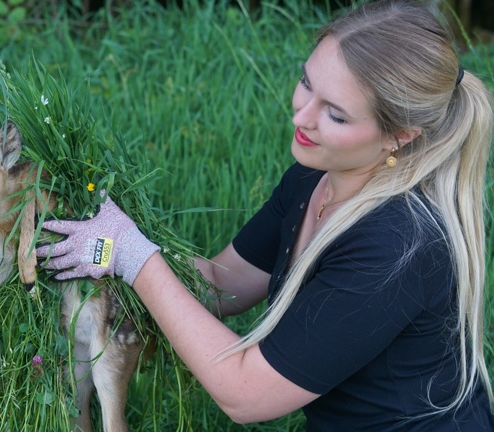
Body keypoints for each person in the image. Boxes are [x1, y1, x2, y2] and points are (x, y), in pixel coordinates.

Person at [35, 1, 494, 430]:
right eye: (307, 83)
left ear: (399, 136)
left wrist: (134, 255)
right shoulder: (314, 179)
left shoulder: (397, 246)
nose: (301, 116)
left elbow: (244, 394)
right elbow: (220, 282)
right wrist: (105, 246)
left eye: (334, 114)